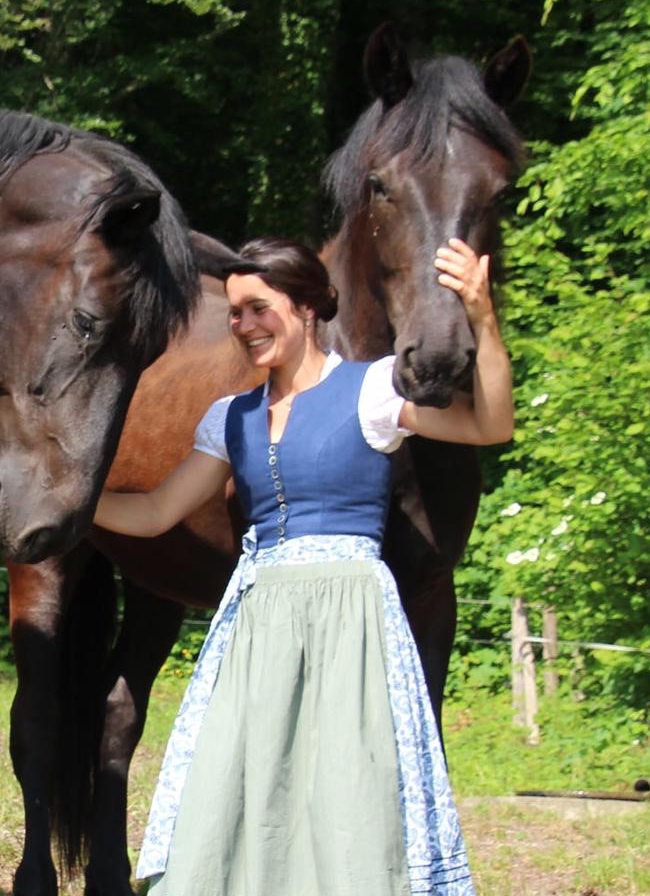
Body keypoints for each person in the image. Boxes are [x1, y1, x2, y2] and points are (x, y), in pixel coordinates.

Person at [95, 236, 511, 896]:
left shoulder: (371, 389)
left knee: (351, 789)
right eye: (235, 313)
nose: (244, 327)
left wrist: (481, 316)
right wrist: (73, 501)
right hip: (259, 622)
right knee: (243, 780)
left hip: (352, 620)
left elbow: (489, 426)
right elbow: (152, 513)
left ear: (308, 306)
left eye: (259, 308)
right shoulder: (231, 417)